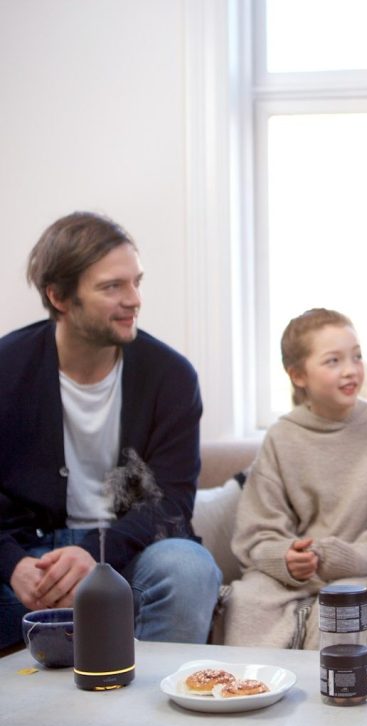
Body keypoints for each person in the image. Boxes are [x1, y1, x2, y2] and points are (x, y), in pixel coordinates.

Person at [0, 211, 221, 650]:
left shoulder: (171, 377)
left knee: (189, 567)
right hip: (29, 554)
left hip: (130, 552)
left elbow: (173, 505)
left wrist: (94, 554)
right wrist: (11, 563)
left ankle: (150, 716)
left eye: (136, 282)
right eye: (112, 286)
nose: (134, 299)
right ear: (60, 297)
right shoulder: (7, 369)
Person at [224, 308, 367, 652]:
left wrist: (346, 558)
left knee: (342, 609)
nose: (350, 370)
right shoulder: (281, 437)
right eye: (333, 361)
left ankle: (336, 700)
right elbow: (256, 533)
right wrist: (286, 559)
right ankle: (254, 694)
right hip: (293, 577)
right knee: (247, 599)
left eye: (356, 356)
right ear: (298, 375)